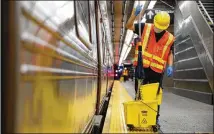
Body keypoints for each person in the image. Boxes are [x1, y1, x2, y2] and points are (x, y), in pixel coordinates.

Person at [126, 5, 175, 127]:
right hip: (141, 68)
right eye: (157, 26)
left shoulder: (170, 38)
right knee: (140, 93)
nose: (158, 28)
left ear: (166, 26)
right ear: (154, 22)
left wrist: (170, 65)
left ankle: (154, 119)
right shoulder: (144, 27)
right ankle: (138, 117)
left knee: (155, 96)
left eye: (161, 27)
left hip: (157, 71)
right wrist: (133, 15)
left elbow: (170, 53)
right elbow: (128, 26)